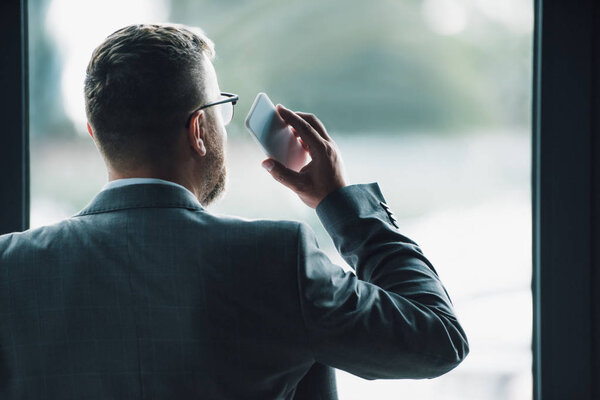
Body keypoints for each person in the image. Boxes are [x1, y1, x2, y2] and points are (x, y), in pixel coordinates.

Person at [0, 24, 468, 399]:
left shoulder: (10, 267)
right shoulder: (274, 257)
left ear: (94, 131)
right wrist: (340, 206)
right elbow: (437, 340)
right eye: (222, 109)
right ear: (198, 129)